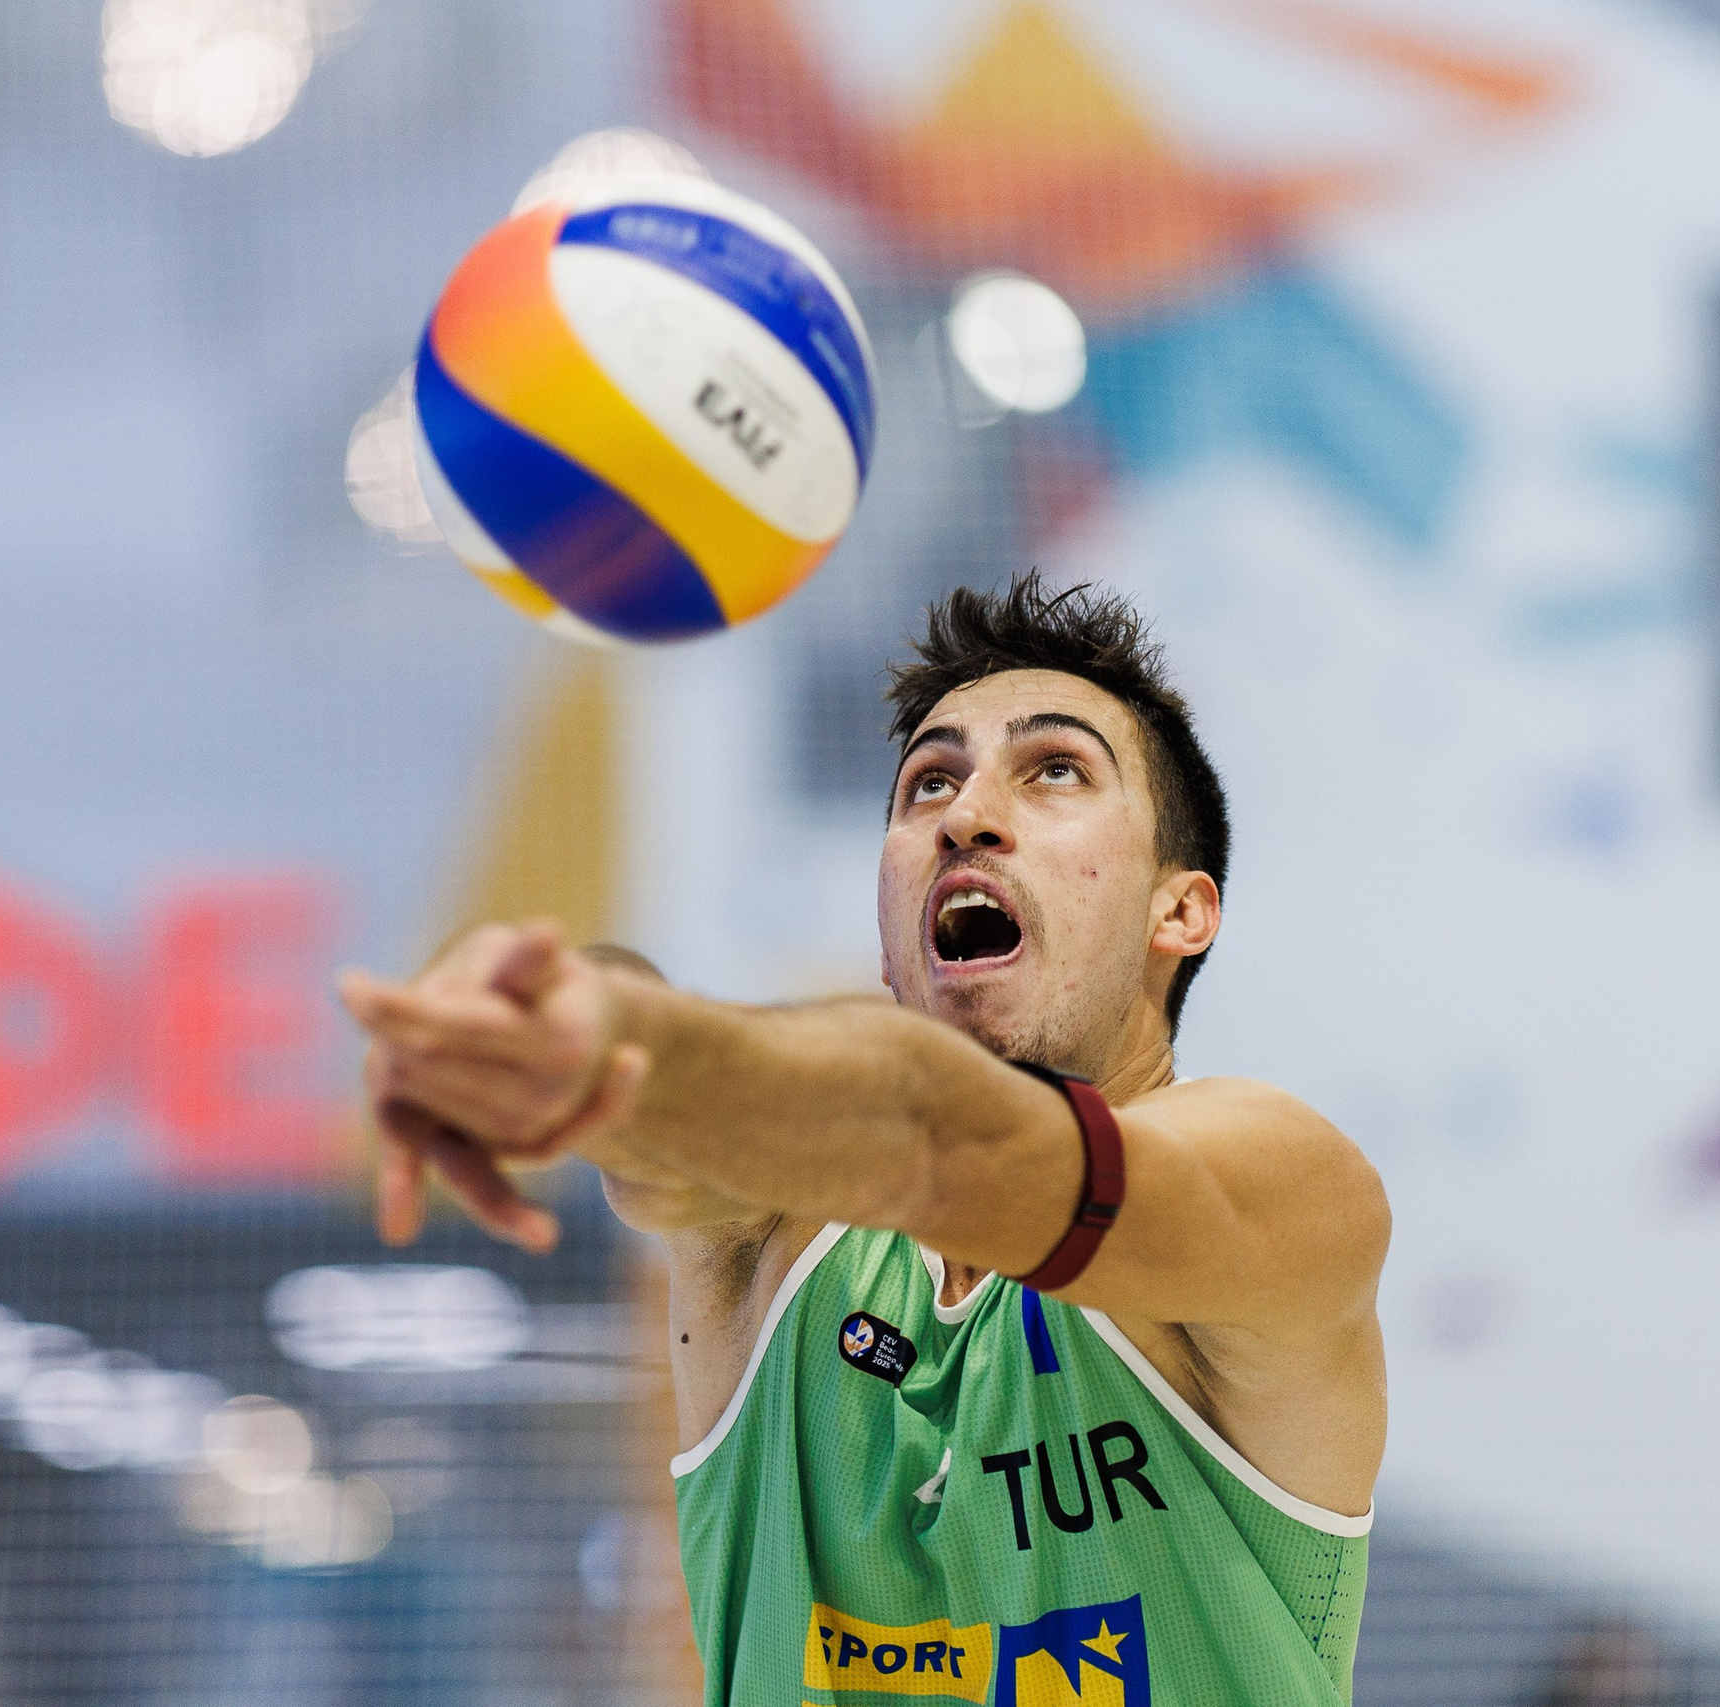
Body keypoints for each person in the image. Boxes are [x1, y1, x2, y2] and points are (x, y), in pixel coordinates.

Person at [341, 573, 1391, 1704]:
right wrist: (563, 1020)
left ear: (1176, 911)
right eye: (927, 782)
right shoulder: (773, 1226)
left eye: (1055, 770)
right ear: (892, 941)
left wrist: (615, 1035)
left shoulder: (1288, 1185)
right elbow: (681, 1095)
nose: (965, 814)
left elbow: (942, 1132)